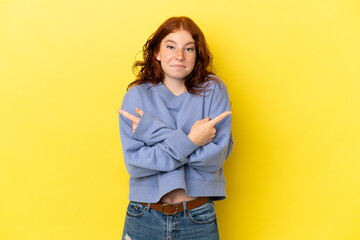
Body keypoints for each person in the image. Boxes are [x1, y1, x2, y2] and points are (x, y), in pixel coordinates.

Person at [117, 16, 233, 240]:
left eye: (189, 48)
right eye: (171, 47)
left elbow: (214, 159)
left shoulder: (214, 90)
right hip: (144, 215)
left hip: (197, 216)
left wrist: (152, 131)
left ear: (197, 54)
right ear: (157, 53)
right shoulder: (136, 96)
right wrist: (192, 140)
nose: (179, 56)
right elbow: (137, 165)